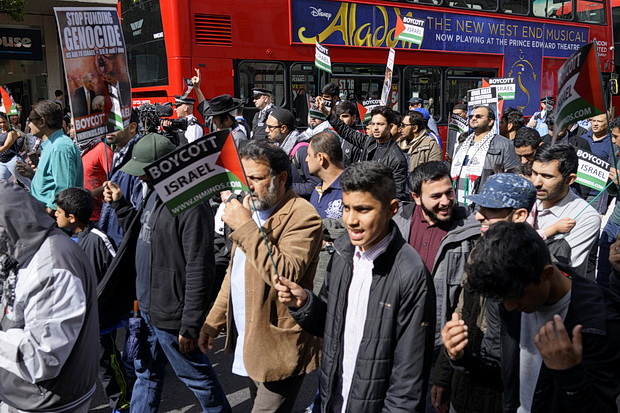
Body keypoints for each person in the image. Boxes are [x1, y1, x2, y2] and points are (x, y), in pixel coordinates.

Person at [275, 161, 436, 412]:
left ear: (391, 209)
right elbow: (331, 325)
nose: (351, 220)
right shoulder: (342, 253)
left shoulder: (410, 274)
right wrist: (305, 304)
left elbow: (408, 378)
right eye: (347, 208)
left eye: (362, 209)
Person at [102, 133, 230, 413]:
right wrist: (121, 205)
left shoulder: (191, 204)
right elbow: (140, 235)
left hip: (172, 316)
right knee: (146, 374)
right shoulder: (155, 193)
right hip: (147, 310)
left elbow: (200, 268)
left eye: (145, 171)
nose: (141, 178)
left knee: (197, 379)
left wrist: (190, 324)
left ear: (166, 165)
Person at [444, 222, 620, 412]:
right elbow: (500, 372)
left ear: (547, 274)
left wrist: (569, 375)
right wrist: (461, 356)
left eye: (516, 296)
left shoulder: (599, 321)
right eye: (502, 299)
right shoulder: (505, 299)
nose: (510, 307)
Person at [200, 141, 323, 413]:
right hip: (251, 339)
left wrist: (244, 226)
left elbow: (285, 274)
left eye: (256, 178)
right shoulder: (250, 207)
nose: (249, 186)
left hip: (279, 344)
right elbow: (235, 274)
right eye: (246, 179)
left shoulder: (303, 216)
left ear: (281, 178)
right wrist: (213, 322)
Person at [431, 173, 538, 413]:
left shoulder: (533, 272)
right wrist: (443, 374)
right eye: (480, 207)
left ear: (519, 215)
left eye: (491, 210)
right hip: (463, 391)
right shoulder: (478, 252)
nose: (479, 215)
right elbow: (460, 314)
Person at [0, 180, 99, 413]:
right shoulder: (22, 247)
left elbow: (42, 359)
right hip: (23, 393)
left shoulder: (55, 265)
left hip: (47, 401)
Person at [54, 187, 130, 413]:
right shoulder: (65, 240)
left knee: (106, 364)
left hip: (98, 320)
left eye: (58, 212)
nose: (54, 215)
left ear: (71, 217)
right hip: (74, 319)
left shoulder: (98, 239)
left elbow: (118, 271)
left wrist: (107, 306)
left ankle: (122, 403)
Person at [317, 96, 409, 201]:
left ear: (391, 126)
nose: (375, 128)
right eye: (373, 124)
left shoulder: (397, 158)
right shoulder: (369, 142)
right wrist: (327, 113)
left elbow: (398, 195)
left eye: (380, 124)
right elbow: (346, 131)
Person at [532, 143, 601, 275]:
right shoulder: (525, 199)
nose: (536, 183)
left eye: (547, 176)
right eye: (534, 173)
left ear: (569, 179)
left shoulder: (586, 217)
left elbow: (557, 268)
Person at [16, 100, 83, 217]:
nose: (28, 125)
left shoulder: (60, 147)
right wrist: (33, 175)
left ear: (42, 122)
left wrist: (47, 216)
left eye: (31, 120)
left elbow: (64, 190)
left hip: (52, 222)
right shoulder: (51, 144)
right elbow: (52, 181)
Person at [450, 105, 520, 206]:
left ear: (490, 121)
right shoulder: (461, 147)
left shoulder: (504, 145)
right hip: (458, 206)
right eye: (471, 116)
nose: (473, 118)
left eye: (478, 116)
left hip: (485, 206)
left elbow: (514, 177)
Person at [98, 109, 143, 247]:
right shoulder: (118, 152)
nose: (108, 130)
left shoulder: (139, 155)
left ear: (132, 127)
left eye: (114, 125)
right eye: (106, 124)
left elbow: (139, 210)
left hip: (128, 240)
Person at [265, 108, 320, 198]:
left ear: (283, 128)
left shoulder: (302, 151)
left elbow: (315, 185)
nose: (266, 130)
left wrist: (284, 187)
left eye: (270, 127)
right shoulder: (277, 148)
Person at [597, 117, 620, 288]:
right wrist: (610, 182)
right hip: (614, 221)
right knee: (603, 270)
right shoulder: (618, 155)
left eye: (616, 136)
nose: (613, 140)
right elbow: (614, 191)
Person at [580, 113, 613, 212]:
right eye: (593, 121)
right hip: (579, 192)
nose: (595, 124)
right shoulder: (583, 138)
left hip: (596, 195)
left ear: (608, 122)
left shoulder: (612, 143)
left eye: (599, 121)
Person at [0, 112, 31, 188]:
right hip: (2, 161)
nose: (2, 124)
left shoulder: (12, 132)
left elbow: (6, 146)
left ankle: (38, 196)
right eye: (0, 122)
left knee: (24, 180)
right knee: (1, 181)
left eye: (4, 122)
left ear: (8, 121)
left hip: (12, 160)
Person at [333, 100, 363, 167]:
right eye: (337, 117)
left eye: (344, 116)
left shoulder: (359, 140)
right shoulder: (331, 136)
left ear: (354, 117)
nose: (340, 119)